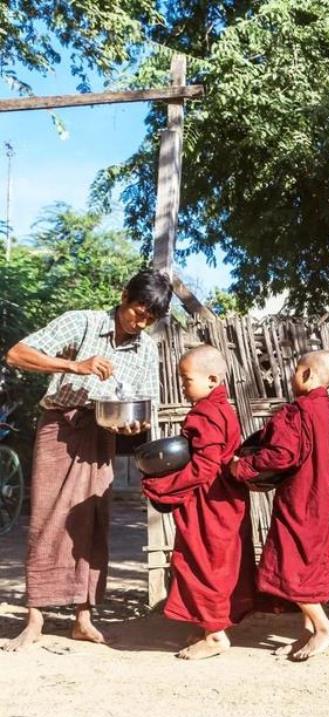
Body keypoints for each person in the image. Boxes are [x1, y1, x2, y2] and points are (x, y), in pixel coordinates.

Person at [2, 269, 172, 652]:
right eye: (137, 311)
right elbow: (17, 354)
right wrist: (74, 366)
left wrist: (133, 429)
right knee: (47, 517)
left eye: (149, 318)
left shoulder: (146, 349)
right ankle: (35, 618)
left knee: (92, 521)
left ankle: (83, 617)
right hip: (60, 427)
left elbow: (146, 406)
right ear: (125, 294)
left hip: (102, 435)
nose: (140, 322)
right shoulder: (83, 322)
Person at [142, 345, 254, 659]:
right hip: (224, 498)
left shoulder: (206, 413)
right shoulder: (222, 409)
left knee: (205, 563)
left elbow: (204, 466)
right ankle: (209, 625)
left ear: (212, 379)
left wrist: (163, 485)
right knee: (216, 560)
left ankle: (216, 635)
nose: (182, 385)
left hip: (211, 500)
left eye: (187, 379)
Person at [230, 350, 329, 661]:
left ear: (307, 375)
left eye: (296, 370)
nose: (292, 377)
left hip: (300, 500)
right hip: (321, 499)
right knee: (309, 562)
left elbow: (282, 454)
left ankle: (323, 628)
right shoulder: (326, 411)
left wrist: (244, 467)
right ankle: (308, 633)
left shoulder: (297, 412)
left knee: (290, 566)